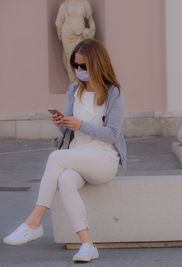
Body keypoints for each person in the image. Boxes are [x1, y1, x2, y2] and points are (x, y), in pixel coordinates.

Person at [3, 39, 126, 263]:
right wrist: (61, 121)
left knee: (55, 157)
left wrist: (81, 125)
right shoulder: (73, 90)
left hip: (103, 159)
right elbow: (70, 129)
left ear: (97, 65)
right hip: (77, 155)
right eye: (76, 65)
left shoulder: (113, 93)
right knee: (66, 180)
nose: (79, 70)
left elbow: (113, 135)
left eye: (83, 66)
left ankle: (34, 221)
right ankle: (88, 245)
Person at [56, 0, 96, 83]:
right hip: (67, 35)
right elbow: (58, 23)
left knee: (80, 58)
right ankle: (73, 84)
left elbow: (91, 20)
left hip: (80, 35)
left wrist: (91, 32)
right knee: (70, 58)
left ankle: (81, 84)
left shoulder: (84, 3)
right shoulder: (65, 5)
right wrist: (60, 35)